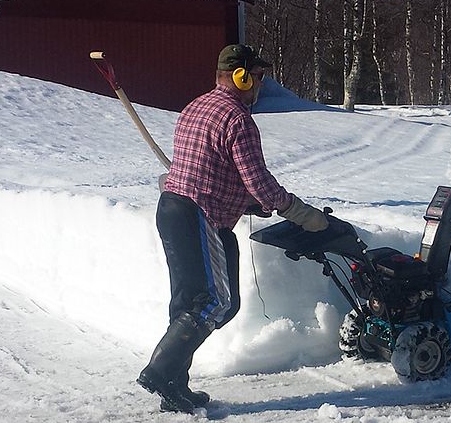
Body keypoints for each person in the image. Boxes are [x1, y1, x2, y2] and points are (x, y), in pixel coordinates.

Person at [137, 44, 330, 413]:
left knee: (190, 303)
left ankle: (176, 386)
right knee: (212, 302)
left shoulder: (195, 106)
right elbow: (258, 181)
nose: (260, 84)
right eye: (257, 77)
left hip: (175, 209)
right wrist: (302, 213)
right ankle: (161, 373)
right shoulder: (238, 119)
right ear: (241, 76)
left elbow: (216, 167)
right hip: (198, 213)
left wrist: (246, 199)